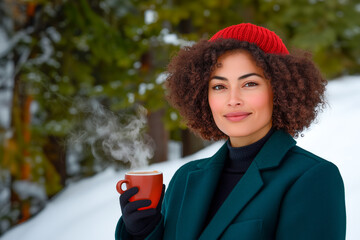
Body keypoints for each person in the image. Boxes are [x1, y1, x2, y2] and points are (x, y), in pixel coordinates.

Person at [115, 23, 346, 240]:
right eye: (219, 87)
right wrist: (144, 232)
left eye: (249, 84)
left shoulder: (312, 177)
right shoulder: (184, 179)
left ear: (281, 90)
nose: (233, 100)